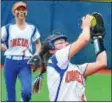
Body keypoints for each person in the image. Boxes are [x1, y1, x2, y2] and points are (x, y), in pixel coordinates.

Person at [32, 14, 107, 101]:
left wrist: (97, 38)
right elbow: (84, 40)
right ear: (51, 50)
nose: (66, 44)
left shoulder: (78, 69)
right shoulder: (55, 60)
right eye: (60, 43)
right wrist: (85, 26)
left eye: (66, 42)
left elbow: (102, 63)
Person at [1, 1, 41, 102]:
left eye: (23, 9)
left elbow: (38, 43)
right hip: (10, 62)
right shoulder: (7, 28)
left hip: (25, 63)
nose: (21, 11)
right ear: (14, 12)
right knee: (11, 97)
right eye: (18, 9)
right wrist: (2, 46)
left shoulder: (32, 28)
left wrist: (36, 54)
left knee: (27, 92)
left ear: (26, 12)